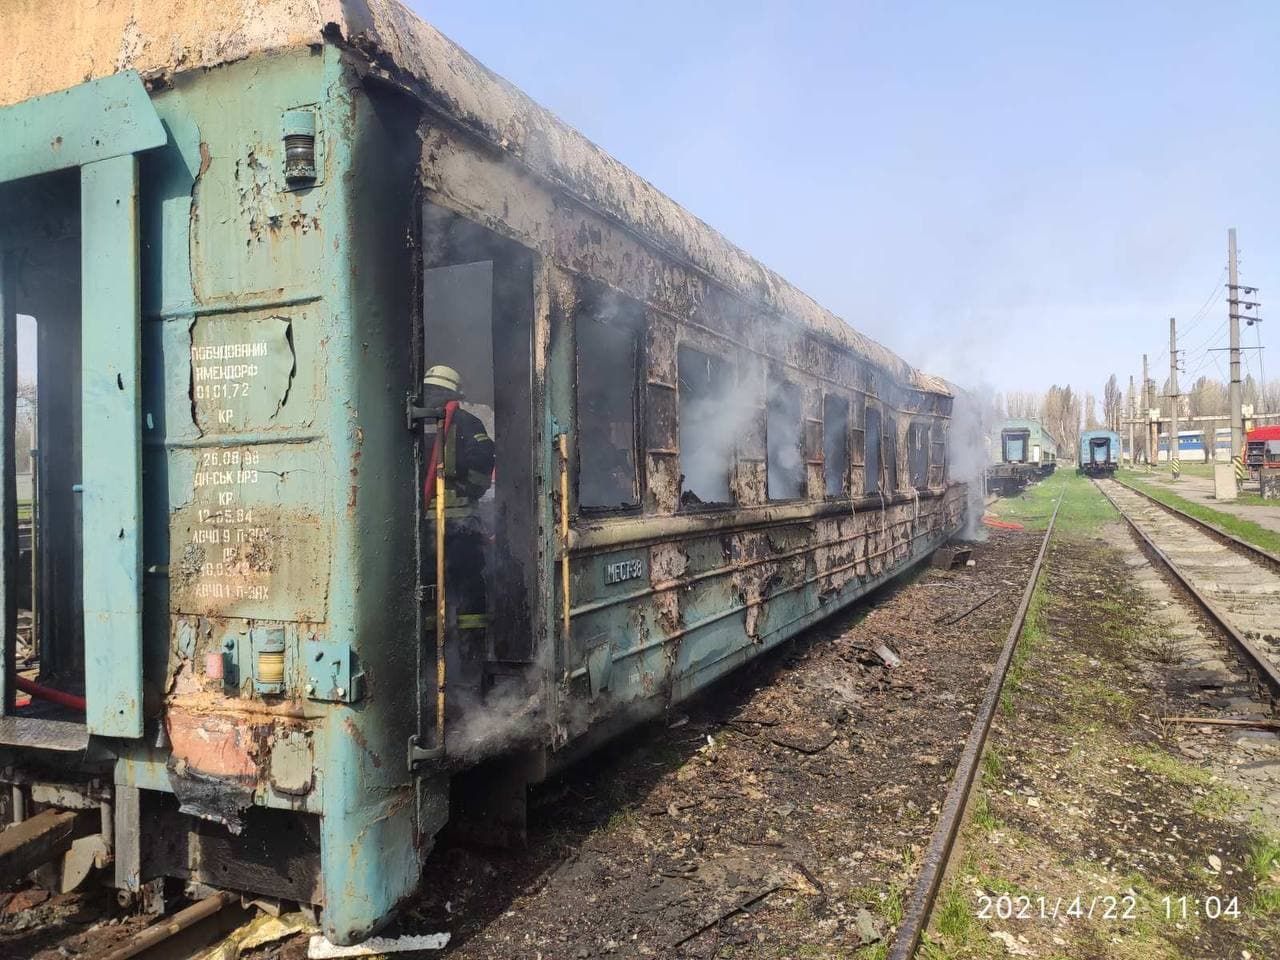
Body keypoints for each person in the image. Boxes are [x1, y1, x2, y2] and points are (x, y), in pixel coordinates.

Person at [421, 365, 494, 627]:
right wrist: (469, 488)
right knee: (469, 585)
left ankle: (431, 655)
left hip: (423, 526)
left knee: (428, 589)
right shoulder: (467, 423)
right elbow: (484, 461)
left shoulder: (415, 422)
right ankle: (470, 654)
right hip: (461, 525)